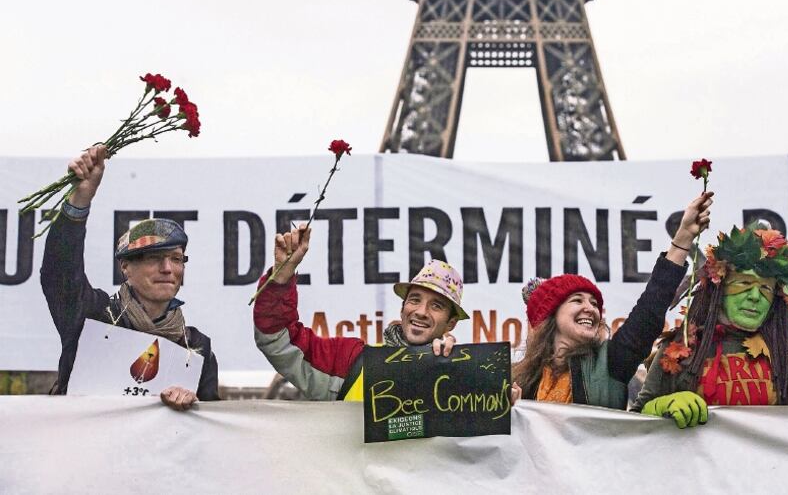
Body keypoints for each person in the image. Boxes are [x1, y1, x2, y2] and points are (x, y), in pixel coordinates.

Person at [632, 170, 788, 412]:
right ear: (718, 289)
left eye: (765, 289)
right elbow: (635, 419)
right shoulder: (680, 347)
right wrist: (662, 407)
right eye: (744, 284)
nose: (755, 296)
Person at [511, 191, 713, 429]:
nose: (590, 309)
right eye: (577, 301)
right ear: (551, 316)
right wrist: (508, 411)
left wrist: (682, 239)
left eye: (594, 304)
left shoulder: (611, 362)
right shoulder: (514, 377)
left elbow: (649, 311)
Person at [40, 144, 219, 410]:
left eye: (177, 259)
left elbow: (208, 435)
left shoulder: (197, 348)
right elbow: (59, 273)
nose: (168, 268)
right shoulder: (92, 316)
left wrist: (195, 407)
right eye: (154, 258)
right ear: (125, 267)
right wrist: (79, 201)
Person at [253, 226, 464, 401]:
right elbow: (278, 341)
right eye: (415, 300)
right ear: (402, 309)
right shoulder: (349, 361)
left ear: (451, 323)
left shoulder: (463, 373)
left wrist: (454, 367)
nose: (421, 312)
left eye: (436, 306)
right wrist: (281, 276)